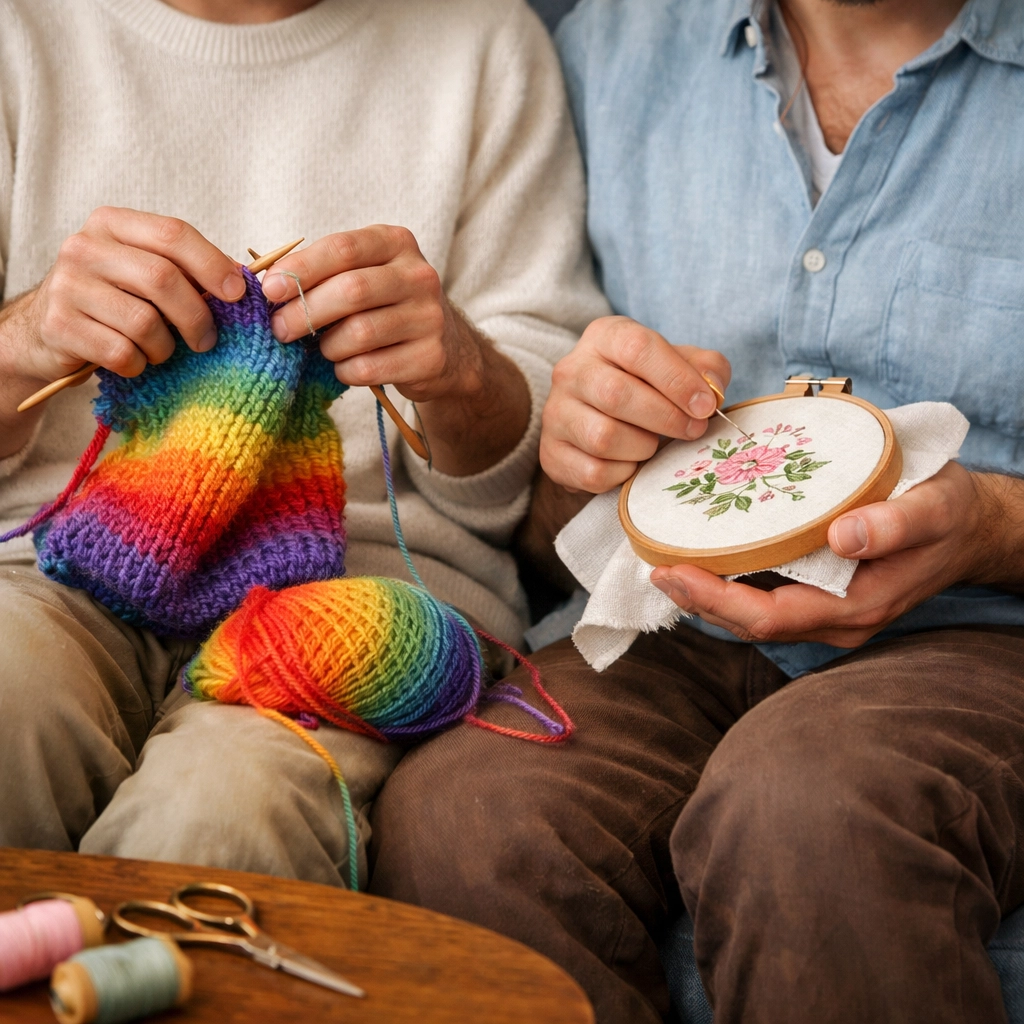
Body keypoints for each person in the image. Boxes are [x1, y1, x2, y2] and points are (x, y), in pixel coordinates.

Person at [368, 0, 1024, 1021]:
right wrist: (578, 455)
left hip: (981, 636)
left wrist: (989, 525)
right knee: (466, 812)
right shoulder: (611, 45)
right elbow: (549, 533)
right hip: (672, 626)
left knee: (807, 811)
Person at [0, 0, 608, 888]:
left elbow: (544, 482)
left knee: (223, 817)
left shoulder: (484, 41)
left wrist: (462, 368)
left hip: (357, 595)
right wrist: (23, 341)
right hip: (60, 568)